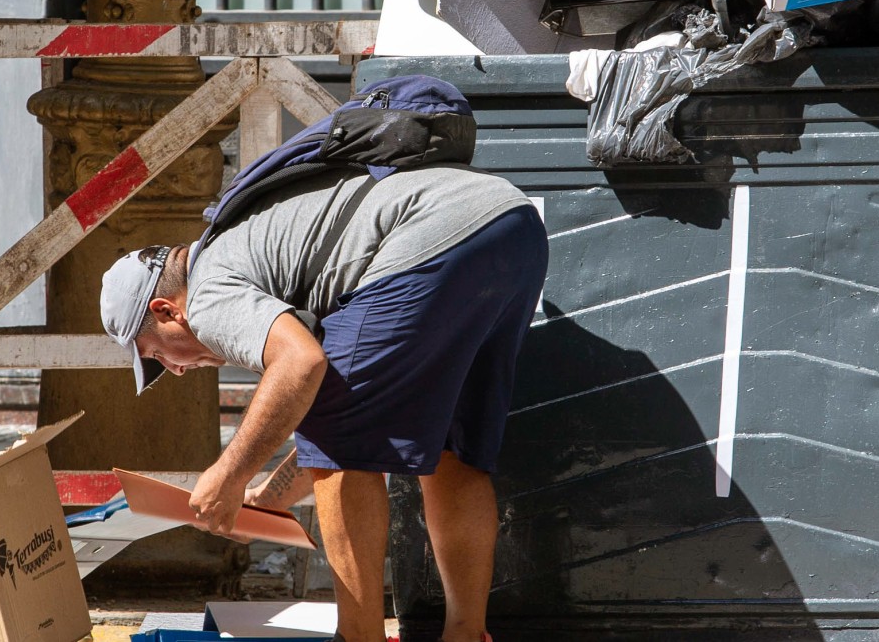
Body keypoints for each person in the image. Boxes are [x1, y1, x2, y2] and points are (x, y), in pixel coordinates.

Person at [98, 76, 548, 642]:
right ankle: (465, 634)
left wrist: (228, 475)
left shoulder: (208, 291)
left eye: (159, 356)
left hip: (428, 239)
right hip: (511, 224)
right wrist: (267, 498)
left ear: (166, 311)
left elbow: (303, 367)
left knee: (339, 445)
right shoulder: (243, 244)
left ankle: (358, 637)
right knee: (454, 452)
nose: (179, 369)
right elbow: (330, 398)